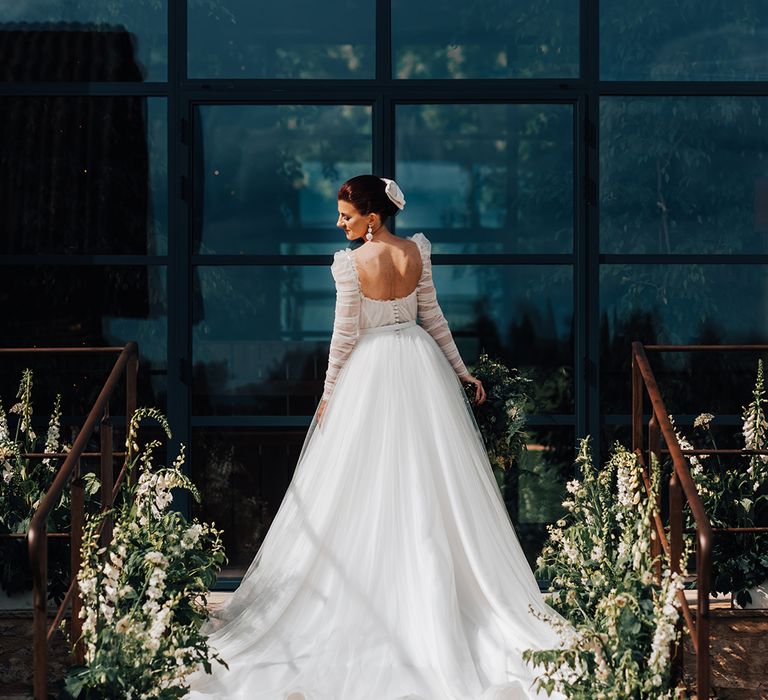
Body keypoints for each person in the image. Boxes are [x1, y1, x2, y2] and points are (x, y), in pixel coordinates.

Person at [185, 175, 570, 700]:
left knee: (359, 487)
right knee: (427, 485)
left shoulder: (350, 265)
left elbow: (344, 337)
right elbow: (433, 318)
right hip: (420, 368)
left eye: (346, 215)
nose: (339, 224)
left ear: (372, 217)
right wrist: (459, 372)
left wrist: (327, 395)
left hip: (370, 372)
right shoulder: (416, 252)